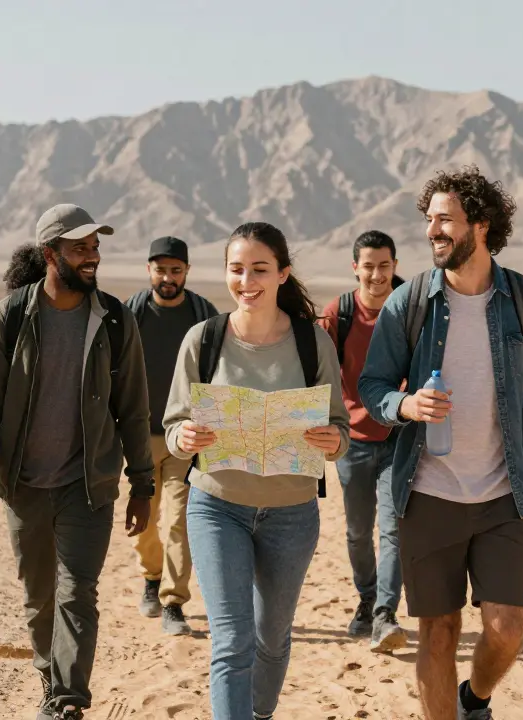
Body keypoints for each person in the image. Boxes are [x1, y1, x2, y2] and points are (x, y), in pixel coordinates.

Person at [359, 166, 523, 720]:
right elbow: (373, 384)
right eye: (428, 220)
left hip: (504, 495)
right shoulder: (408, 304)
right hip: (427, 492)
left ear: (480, 225)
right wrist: (405, 406)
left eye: (444, 220)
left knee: (507, 631)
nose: (433, 230)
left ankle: (475, 698)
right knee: (438, 633)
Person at [0, 204, 155, 720]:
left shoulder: (114, 318)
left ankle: (68, 700)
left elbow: (133, 408)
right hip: (23, 483)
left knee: (78, 592)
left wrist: (143, 483)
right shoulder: (12, 315)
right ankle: (49, 676)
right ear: (52, 255)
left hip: (86, 484)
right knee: (39, 596)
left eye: (95, 247)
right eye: (80, 248)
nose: (92, 257)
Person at [164, 221, 350, 720]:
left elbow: (338, 426)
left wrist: (334, 440)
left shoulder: (313, 344)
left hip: (292, 515)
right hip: (217, 506)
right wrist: (181, 438)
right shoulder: (202, 339)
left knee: (271, 639)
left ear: (283, 274)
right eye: (237, 269)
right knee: (232, 640)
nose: (247, 281)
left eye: (260, 269)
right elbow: (174, 423)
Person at [316, 230, 409, 652]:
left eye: (384, 266)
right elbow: (320, 374)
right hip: (351, 440)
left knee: (393, 529)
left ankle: (386, 614)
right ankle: (367, 598)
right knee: (357, 532)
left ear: (394, 265)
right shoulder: (340, 313)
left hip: (400, 437)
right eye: (368, 266)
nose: (376, 274)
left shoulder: (412, 306)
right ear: (355, 267)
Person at [123, 236, 218, 635]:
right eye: (160, 270)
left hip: (187, 436)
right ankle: (150, 577)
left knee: (179, 520)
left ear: (187, 272)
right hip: (140, 437)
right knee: (144, 520)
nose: (168, 278)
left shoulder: (203, 314)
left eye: (175, 270)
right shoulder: (131, 313)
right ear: (149, 270)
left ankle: (173, 602)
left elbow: (217, 371)